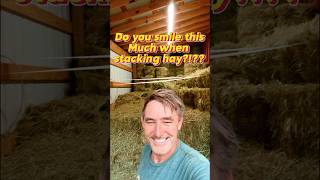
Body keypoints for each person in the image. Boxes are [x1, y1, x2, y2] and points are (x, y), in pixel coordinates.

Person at [137, 89, 210, 180]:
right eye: (150, 122)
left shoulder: (199, 168)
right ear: (142, 122)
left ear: (179, 123)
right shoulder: (147, 150)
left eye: (167, 122)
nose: (158, 133)